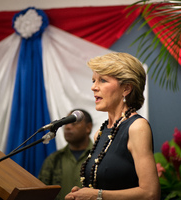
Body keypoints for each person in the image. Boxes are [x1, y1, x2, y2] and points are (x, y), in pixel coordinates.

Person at [65, 52, 160, 200]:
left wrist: (97, 195)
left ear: (126, 89)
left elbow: (151, 193)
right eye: (93, 80)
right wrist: (82, 194)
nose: (93, 87)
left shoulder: (137, 127)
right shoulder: (100, 134)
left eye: (102, 80)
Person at [38, 109, 93, 200]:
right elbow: (41, 193)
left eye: (74, 123)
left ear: (88, 128)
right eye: (66, 123)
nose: (67, 127)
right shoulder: (53, 159)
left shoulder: (99, 157)